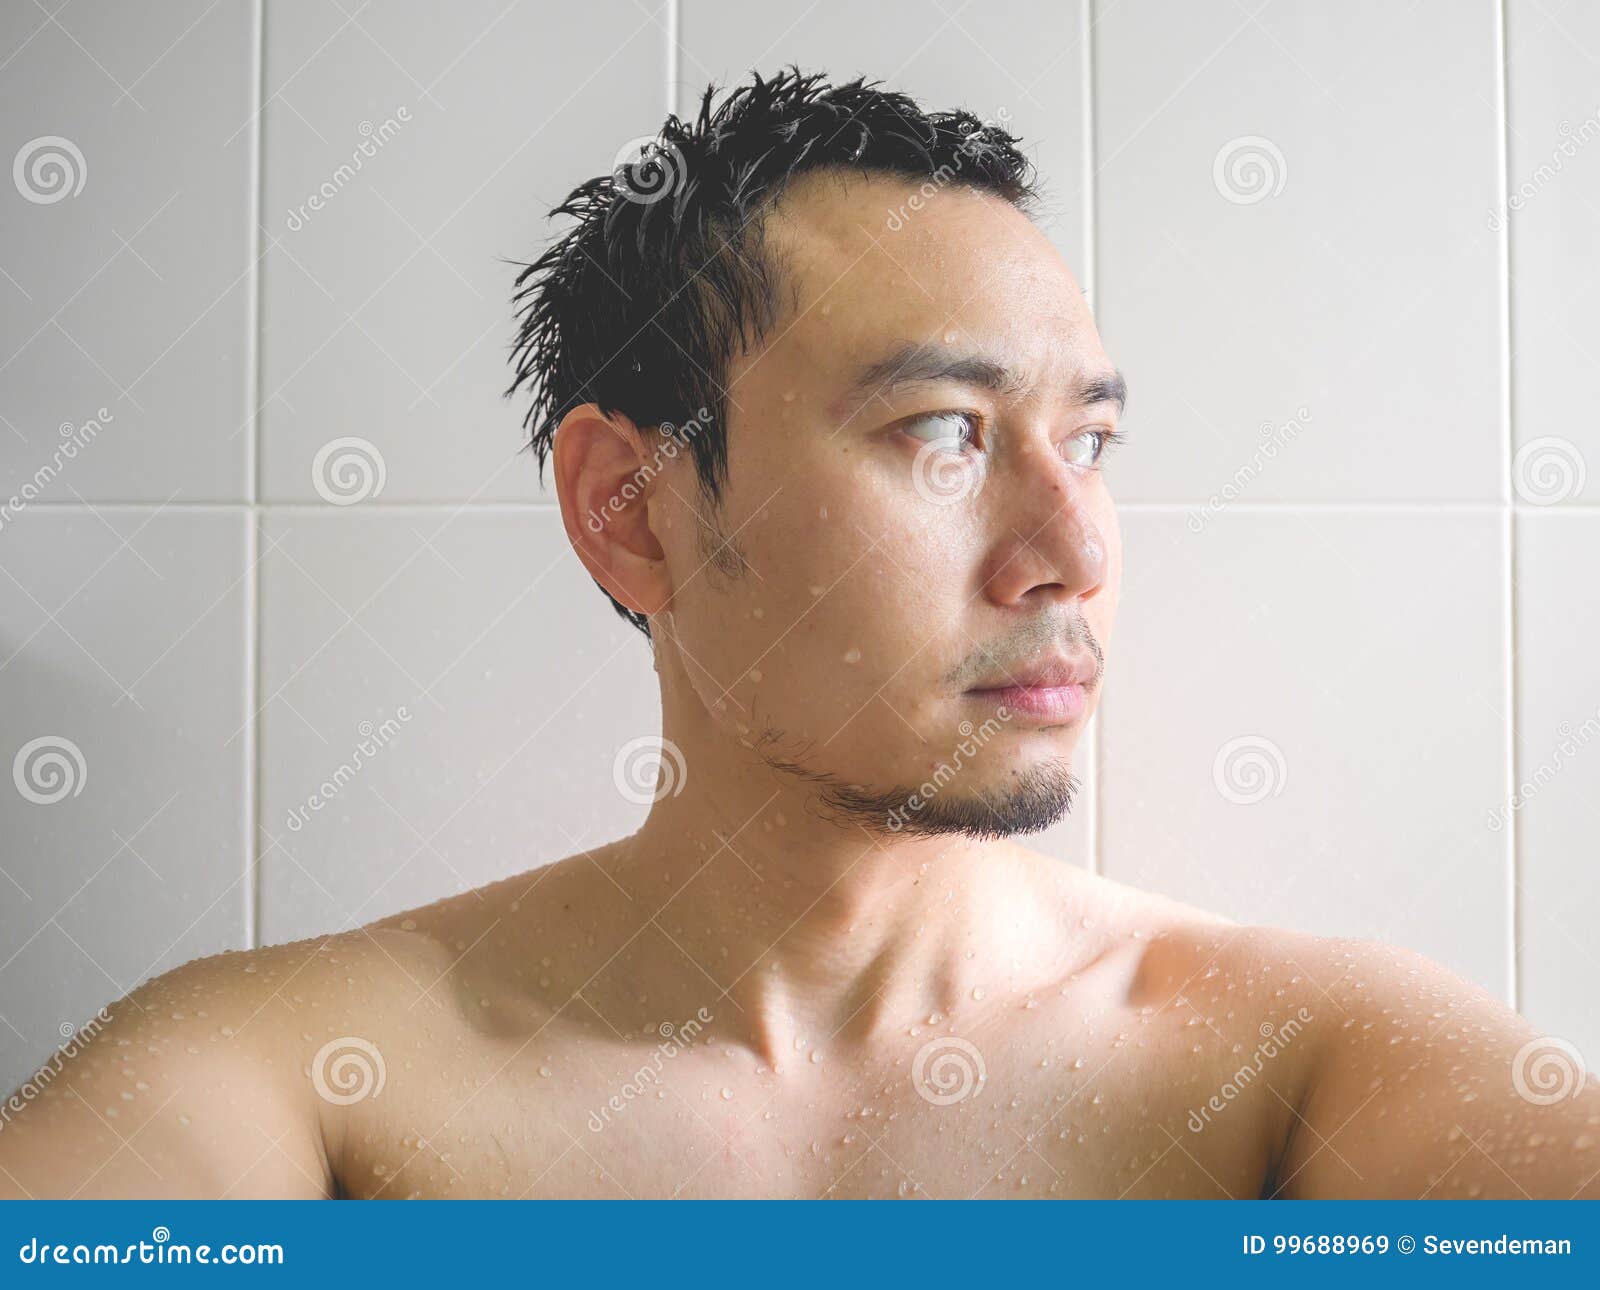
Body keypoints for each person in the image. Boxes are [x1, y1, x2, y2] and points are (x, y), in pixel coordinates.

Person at [2, 68, 1595, 1201]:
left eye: (1089, 442)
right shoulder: (319, 1086)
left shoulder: (1300, 1070)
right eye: (945, 433)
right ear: (632, 506)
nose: (1075, 552)